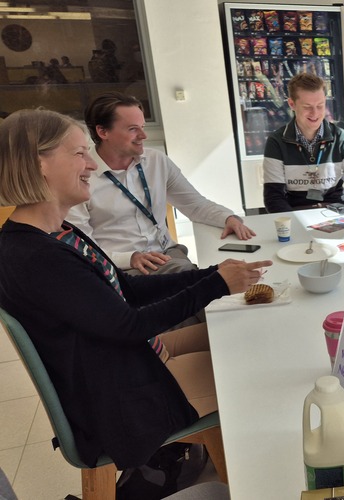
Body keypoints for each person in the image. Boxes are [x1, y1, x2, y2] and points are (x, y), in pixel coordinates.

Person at [0, 109, 272, 468]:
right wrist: (217, 284)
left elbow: (124, 287)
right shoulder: (37, 258)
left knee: (246, 333)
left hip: (129, 362)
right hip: (123, 399)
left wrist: (210, 274)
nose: (92, 166)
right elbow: (130, 326)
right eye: (80, 154)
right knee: (261, 374)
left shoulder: (57, 232)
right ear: (40, 165)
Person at [67, 92, 255, 276]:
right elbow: (80, 245)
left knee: (215, 277)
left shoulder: (156, 161)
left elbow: (195, 205)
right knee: (202, 282)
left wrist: (228, 218)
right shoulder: (79, 175)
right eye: (133, 129)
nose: (143, 135)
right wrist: (128, 258)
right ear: (103, 132)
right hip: (121, 268)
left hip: (168, 254)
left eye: (142, 126)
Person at [263, 73, 344, 211]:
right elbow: (273, 198)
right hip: (296, 211)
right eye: (307, 107)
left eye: (320, 106)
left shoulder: (342, 139)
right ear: (292, 104)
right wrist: (295, 224)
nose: (315, 113)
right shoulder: (276, 142)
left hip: (338, 210)